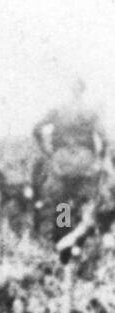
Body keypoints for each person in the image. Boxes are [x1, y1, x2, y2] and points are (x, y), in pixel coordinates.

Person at [33, 79, 108, 243]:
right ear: (83, 90)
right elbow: (104, 139)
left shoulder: (58, 110)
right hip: (85, 161)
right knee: (87, 202)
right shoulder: (90, 111)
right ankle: (84, 239)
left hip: (61, 161)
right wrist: (99, 158)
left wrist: (48, 151)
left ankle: (62, 239)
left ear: (70, 89)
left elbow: (36, 129)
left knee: (62, 203)